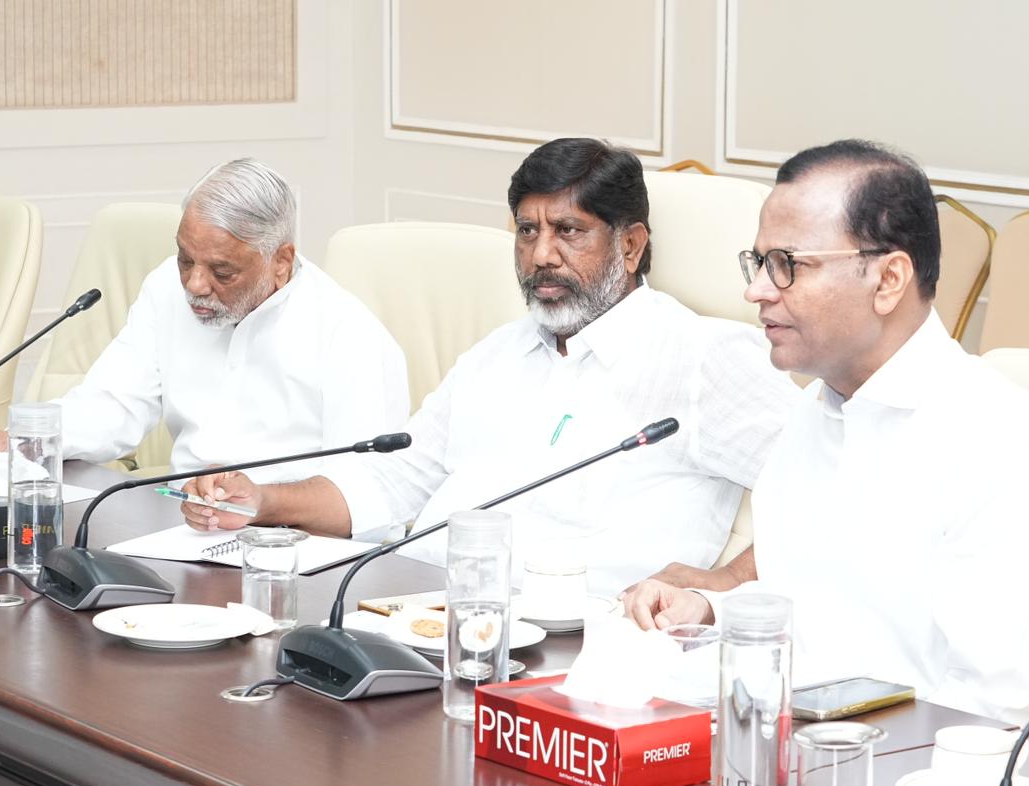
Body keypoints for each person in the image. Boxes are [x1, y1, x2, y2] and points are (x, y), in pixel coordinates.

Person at [179, 138, 799, 594]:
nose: (541, 254)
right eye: (526, 231)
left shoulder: (700, 356)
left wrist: (721, 586)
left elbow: (826, 490)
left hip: (572, 647)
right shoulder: (497, 353)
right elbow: (394, 482)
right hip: (413, 608)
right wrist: (261, 501)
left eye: (568, 231)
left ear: (630, 245)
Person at [623, 140, 1029, 740]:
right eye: (758, 262)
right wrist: (711, 609)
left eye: (788, 264)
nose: (758, 290)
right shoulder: (814, 411)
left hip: (946, 779)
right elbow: (821, 601)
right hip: (811, 758)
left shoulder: (1004, 446)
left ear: (888, 279)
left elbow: (995, 711)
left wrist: (822, 765)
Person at [0, 158, 408, 483]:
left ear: (281, 262)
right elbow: (113, 405)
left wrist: (263, 505)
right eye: (185, 259)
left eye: (222, 272)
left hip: (289, 548)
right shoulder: (165, 289)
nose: (195, 284)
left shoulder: (348, 334)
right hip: (178, 526)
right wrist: (18, 440)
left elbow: (366, 493)